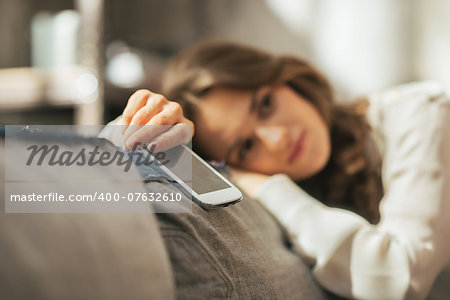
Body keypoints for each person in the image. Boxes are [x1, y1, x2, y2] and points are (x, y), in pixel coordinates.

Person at [102, 40, 450, 299]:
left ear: (286, 80)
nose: (278, 137)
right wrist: (132, 128)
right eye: (247, 146)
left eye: (265, 104)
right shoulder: (304, 198)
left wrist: (267, 187)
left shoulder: (420, 114)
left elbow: (399, 276)